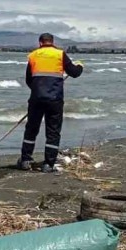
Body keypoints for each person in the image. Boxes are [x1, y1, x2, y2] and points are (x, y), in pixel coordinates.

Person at [18, 33, 84, 172]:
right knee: (53, 131)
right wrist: (80, 66)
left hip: (36, 98)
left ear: (40, 43)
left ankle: (25, 160)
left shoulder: (33, 55)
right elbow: (74, 72)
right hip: (55, 99)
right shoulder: (60, 54)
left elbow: (29, 79)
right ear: (52, 42)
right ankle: (48, 164)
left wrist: (38, 90)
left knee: (31, 129)